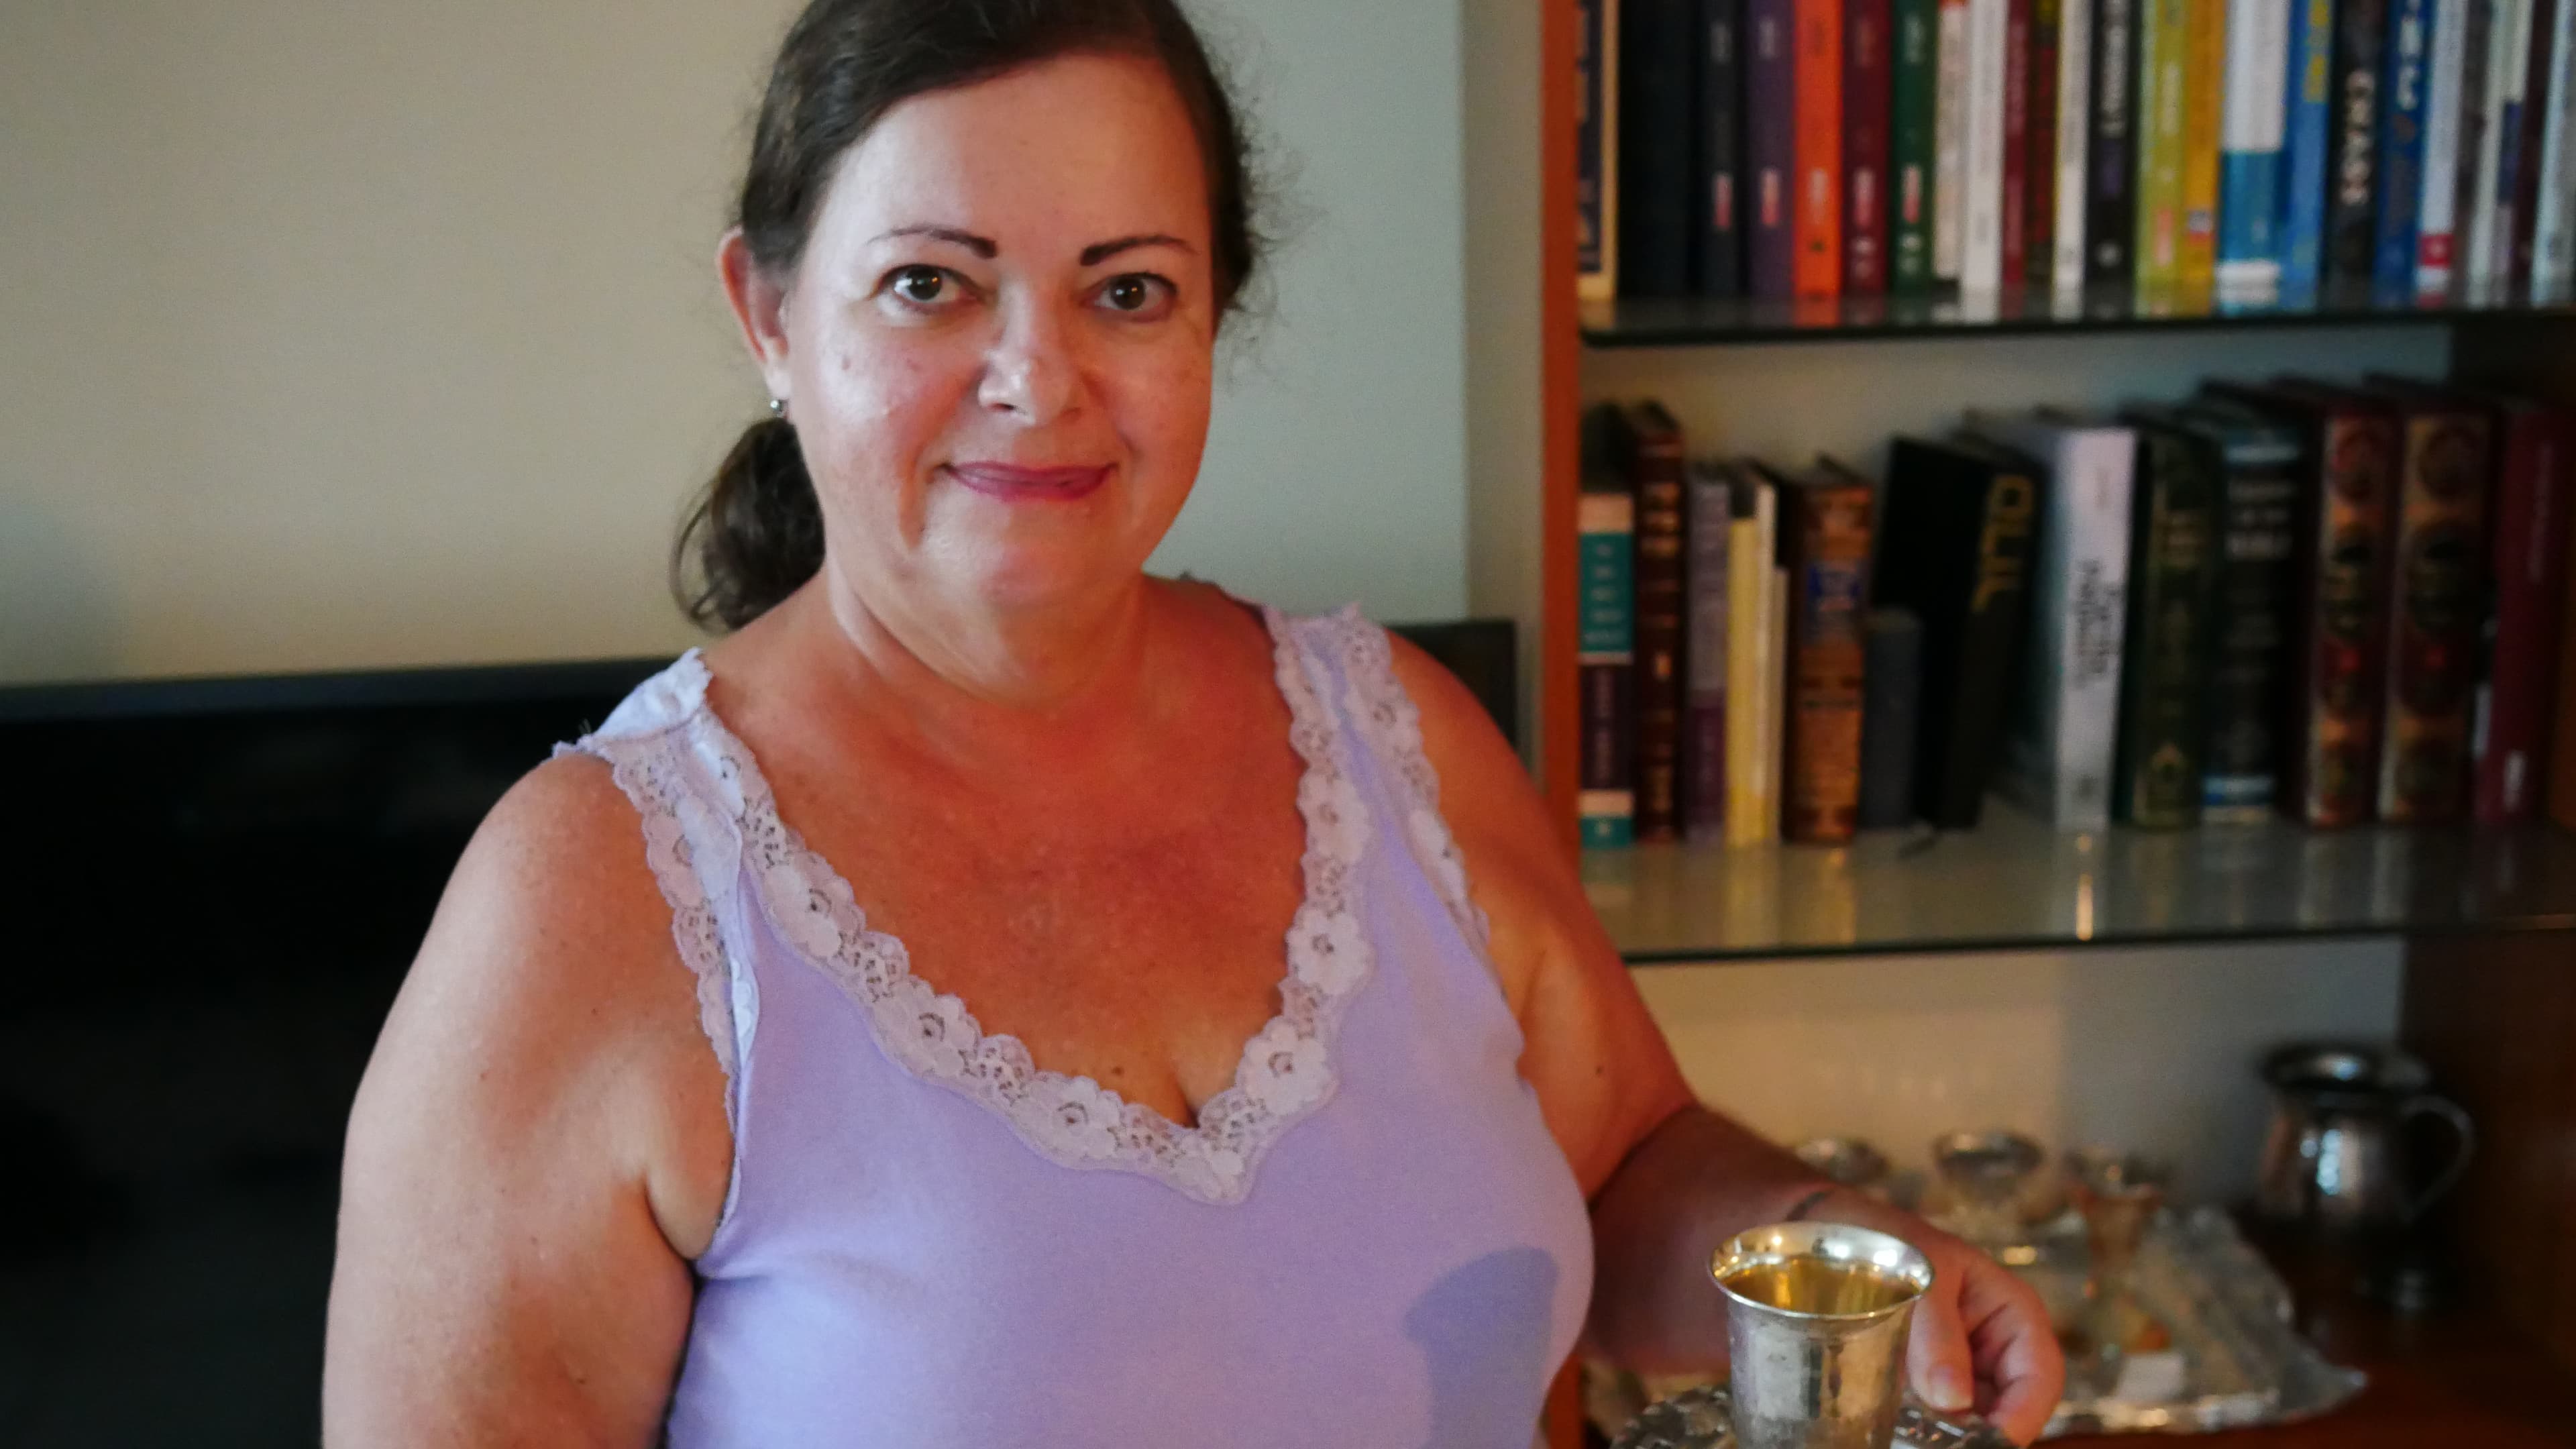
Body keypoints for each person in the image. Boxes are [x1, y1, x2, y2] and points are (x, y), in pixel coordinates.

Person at [321, 1, 2065, 1444]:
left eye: (1127, 288)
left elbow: (1620, 1173)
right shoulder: (592, 900)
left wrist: (1833, 1248)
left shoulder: (1397, 731)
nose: (1039, 374)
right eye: (932, 284)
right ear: (772, 318)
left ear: (1212, 315)